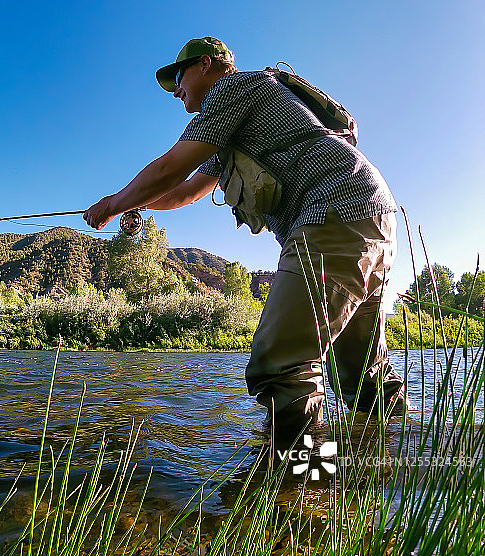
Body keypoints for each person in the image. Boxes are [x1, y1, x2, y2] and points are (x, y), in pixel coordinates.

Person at [84, 36, 407, 437]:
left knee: (279, 363)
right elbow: (184, 192)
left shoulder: (235, 88)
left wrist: (112, 204)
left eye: (178, 78)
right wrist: (138, 204)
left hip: (334, 214)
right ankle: (402, 460)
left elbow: (170, 169)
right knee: (362, 374)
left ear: (206, 64)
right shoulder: (237, 124)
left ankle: (296, 482)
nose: (176, 91)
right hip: (367, 217)